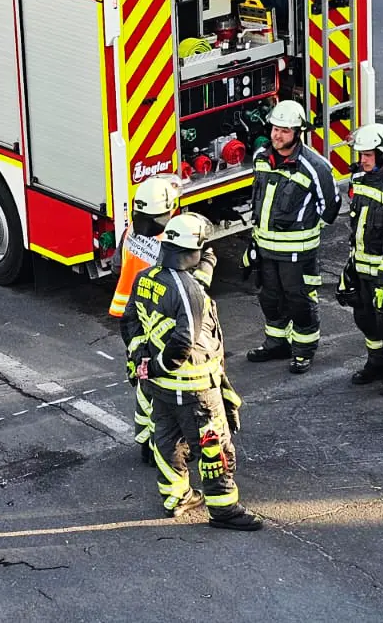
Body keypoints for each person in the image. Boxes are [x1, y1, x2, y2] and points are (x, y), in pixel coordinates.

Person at [129, 213, 264, 530]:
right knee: (214, 447)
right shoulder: (187, 289)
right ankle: (224, 510)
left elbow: (130, 321)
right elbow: (184, 339)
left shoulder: (146, 278)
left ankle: (176, 497)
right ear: (191, 250)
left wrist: (143, 359)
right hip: (196, 388)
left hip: (161, 388)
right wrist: (161, 364)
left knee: (168, 441)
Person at [243, 100, 341, 374]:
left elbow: (330, 206)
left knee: (299, 302)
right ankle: (276, 343)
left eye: (285, 130)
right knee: (270, 299)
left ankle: (303, 351)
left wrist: (306, 231)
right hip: (265, 248)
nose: (277, 135)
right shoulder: (261, 158)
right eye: (275, 128)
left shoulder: (315, 166)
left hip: (298, 253)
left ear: (298, 133)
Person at [114, 175, 181, 465]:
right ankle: (158, 443)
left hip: (129, 317)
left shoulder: (130, 230)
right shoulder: (169, 243)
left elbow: (117, 265)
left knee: (142, 378)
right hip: (155, 319)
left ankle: (145, 441)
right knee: (159, 381)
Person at [338, 123, 383, 391]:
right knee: (365, 318)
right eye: (361, 155)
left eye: (368, 155)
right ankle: (375, 362)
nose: (363, 160)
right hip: (360, 265)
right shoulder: (358, 179)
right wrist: (350, 267)